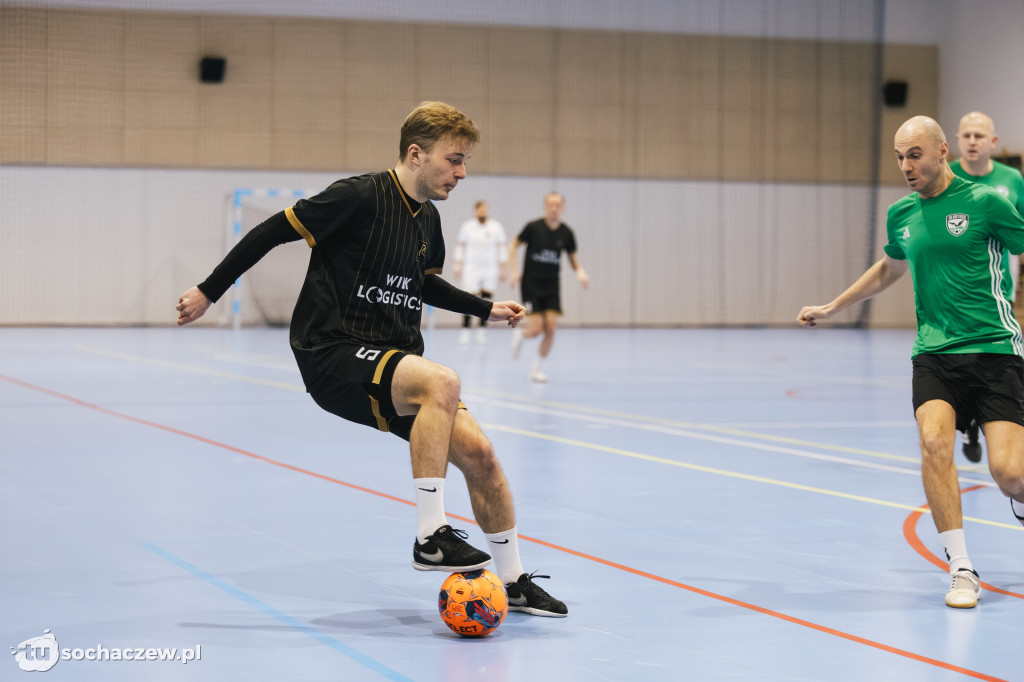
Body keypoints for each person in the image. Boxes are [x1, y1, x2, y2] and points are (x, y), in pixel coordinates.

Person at [176, 101, 567, 617]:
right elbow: (273, 230)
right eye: (453, 160)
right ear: (415, 153)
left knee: (483, 456)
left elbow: (425, 284)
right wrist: (210, 290)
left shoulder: (429, 220)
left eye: (465, 161)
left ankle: (513, 580)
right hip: (331, 350)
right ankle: (431, 536)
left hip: (392, 358)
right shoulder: (358, 196)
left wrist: (484, 308)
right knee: (442, 382)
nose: (462, 173)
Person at [797, 115, 1024, 609]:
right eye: (899, 157)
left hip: (994, 350)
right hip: (935, 353)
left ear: (943, 152)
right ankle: (961, 568)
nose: (905, 165)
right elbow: (890, 267)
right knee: (933, 439)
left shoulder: (988, 202)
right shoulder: (901, 213)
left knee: (1010, 473)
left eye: (914, 154)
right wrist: (833, 307)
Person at [950, 111, 1024, 463]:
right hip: (954, 295)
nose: (973, 141)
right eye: (966, 135)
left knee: (997, 361)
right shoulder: (946, 177)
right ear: (957, 140)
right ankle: (968, 423)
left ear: (993, 142)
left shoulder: (1011, 180)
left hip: (999, 292)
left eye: (979, 135)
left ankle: (998, 419)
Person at [508, 192, 588, 382]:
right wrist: (514, 270)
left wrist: (580, 271)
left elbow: (573, 259)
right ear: (545, 206)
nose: (554, 208)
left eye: (558, 205)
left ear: (562, 207)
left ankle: (536, 369)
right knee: (536, 329)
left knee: (551, 328)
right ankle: (520, 334)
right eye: (551, 205)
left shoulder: (566, 233)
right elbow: (513, 247)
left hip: (552, 287)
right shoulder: (533, 227)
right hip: (531, 285)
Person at [452, 200, 508, 345]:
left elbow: (502, 248)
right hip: (471, 268)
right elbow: (460, 246)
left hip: (490, 269)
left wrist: (503, 268)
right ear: (475, 211)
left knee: (486, 299)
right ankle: (465, 330)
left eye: (485, 210)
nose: (482, 212)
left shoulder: (496, 227)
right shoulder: (467, 227)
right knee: (467, 298)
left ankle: (482, 332)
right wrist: (457, 264)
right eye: (480, 210)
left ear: (487, 211)